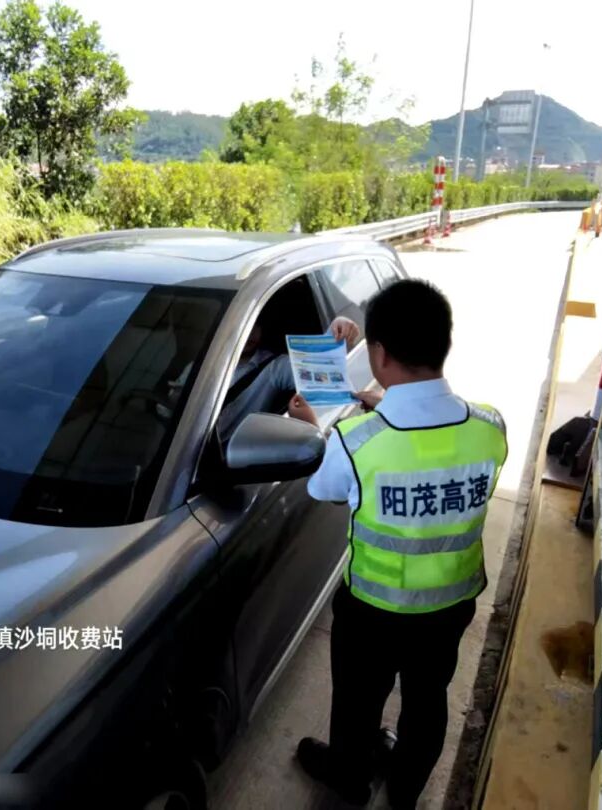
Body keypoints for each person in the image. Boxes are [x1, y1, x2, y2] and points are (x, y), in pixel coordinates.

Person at [287, 278, 507, 809]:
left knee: (359, 703)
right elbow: (433, 455)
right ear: (441, 345)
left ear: (379, 355)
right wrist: (387, 406)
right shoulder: (491, 426)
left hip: (374, 611)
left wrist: (315, 427)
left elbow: (325, 487)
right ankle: (406, 790)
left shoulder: (357, 440)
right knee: (428, 701)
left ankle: (349, 778)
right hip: (451, 605)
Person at [211, 315, 360, 439]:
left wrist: (338, 325)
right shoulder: (202, 366)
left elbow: (319, 371)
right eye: (243, 326)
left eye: (255, 325)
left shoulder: (274, 366)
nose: (250, 333)